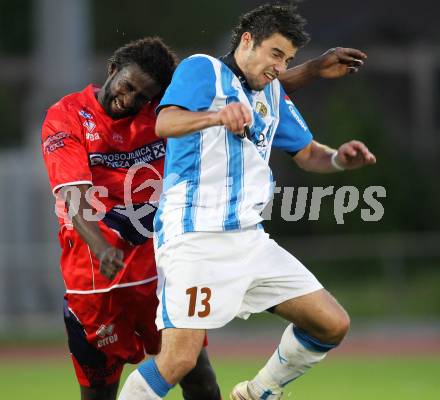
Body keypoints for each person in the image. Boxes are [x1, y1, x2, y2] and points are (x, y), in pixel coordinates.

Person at [41, 31, 367, 400]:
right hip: (96, 282)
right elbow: (74, 195)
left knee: (197, 377)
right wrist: (100, 246)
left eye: (142, 96)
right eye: (127, 86)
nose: (129, 100)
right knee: (99, 392)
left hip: (159, 272)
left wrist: (310, 70)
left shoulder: (159, 112)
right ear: (112, 69)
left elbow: (240, 95)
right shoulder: (67, 116)